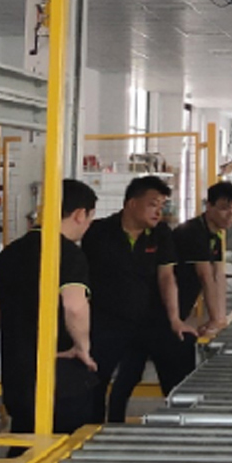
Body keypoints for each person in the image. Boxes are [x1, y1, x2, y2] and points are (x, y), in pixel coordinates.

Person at [83, 175, 195, 423]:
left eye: (162, 205)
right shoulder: (98, 232)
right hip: (106, 321)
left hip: (148, 320)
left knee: (167, 365)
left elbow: (166, 277)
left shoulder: (161, 234)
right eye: (153, 204)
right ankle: (93, 431)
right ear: (132, 203)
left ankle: (180, 424)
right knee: (96, 380)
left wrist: (175, 320)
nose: (158, 212)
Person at [0, 178, 99, 434]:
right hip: (60, 375)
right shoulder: (67, 254)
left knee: (25, 441)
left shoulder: (8, 254)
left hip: (17, 373)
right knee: (69, 445)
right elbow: (74, 306)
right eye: (90, 217)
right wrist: (82, 347)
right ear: (79, 214)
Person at [163, 182, 232, 386]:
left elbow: (218, 275)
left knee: (139, 365)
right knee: (173, 367)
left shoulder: (215, 234)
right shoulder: (192, 232)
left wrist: (220, 318)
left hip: (179, 308)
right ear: (208, 206)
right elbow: (205, 276)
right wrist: (214, 319)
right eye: (224, 208)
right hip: (163, 309)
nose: (231, 215)